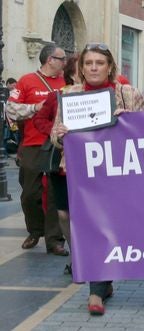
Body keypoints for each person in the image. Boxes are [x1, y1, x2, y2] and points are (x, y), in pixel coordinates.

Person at [51, 42, 144, 316]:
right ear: (81, 69)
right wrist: (61, 133)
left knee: (107, 228)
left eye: (99, 63)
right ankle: (97, 288)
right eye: (88, 63)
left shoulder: (127, 94)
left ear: (110, 67)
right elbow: (55, 137)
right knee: (87, 228)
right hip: (81, 176)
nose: (94, 67)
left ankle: (99, 286)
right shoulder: (69, 95)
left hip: (117, 177)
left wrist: (130, 122)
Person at [5, 44, 67, 256]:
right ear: (50, 60)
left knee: (53, 194)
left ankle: (54, 240)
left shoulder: (67, 82)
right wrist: (34, 108)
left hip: (57, 143)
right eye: (62, 58)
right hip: (32, 143)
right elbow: (11, 108)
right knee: (30, 194)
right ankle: (35, 230)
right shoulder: (26, 81)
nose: (65, 63)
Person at [32, 53, 80, 275]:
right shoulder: (57, 96)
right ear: (71, 72)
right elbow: (39, 119)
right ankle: (76, 254)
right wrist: (55, 130)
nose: (88, 71)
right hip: (62, 165)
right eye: (82, 66)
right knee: (64, 213)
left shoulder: (108, 95)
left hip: (91, 167)